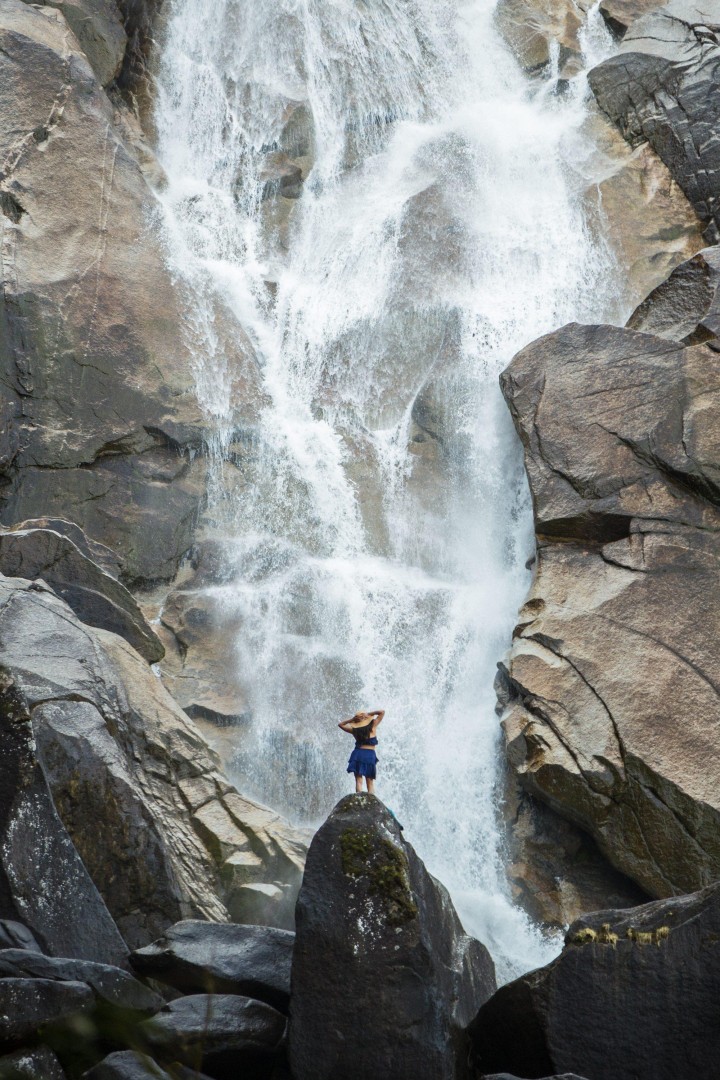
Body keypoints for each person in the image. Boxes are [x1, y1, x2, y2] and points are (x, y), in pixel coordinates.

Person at [338, 709, 385, 794]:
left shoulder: (354, 730)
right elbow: (382, 712)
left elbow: (340, 724)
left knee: (358, 781)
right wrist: (368, 714)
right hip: (369, 755)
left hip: (358, 754)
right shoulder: (373, 725)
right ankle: (371, 804)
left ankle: (359, 802)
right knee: (370, 783)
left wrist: (352, 719)